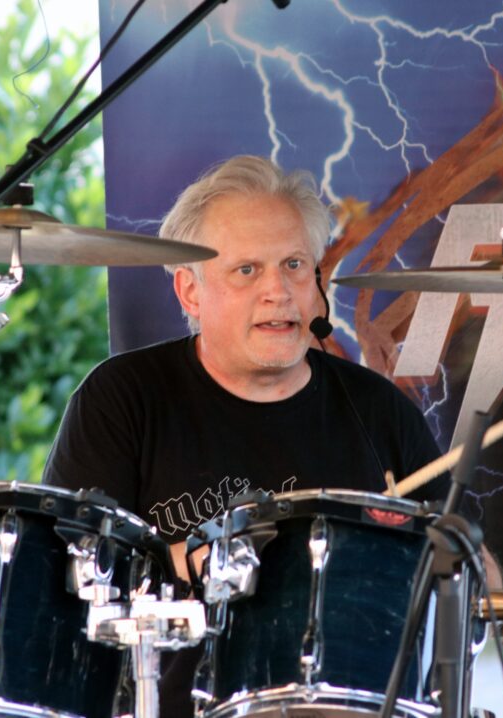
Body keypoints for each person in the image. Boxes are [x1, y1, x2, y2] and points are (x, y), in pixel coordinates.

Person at [42, 155, 467, 716]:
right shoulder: (122, 398)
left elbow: (466, 570)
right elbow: (66, 580)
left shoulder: (379, 410)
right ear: (190, 291)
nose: (278, 291)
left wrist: (458, 562)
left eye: (294, 265)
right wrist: (202, 557)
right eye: (247, 270)